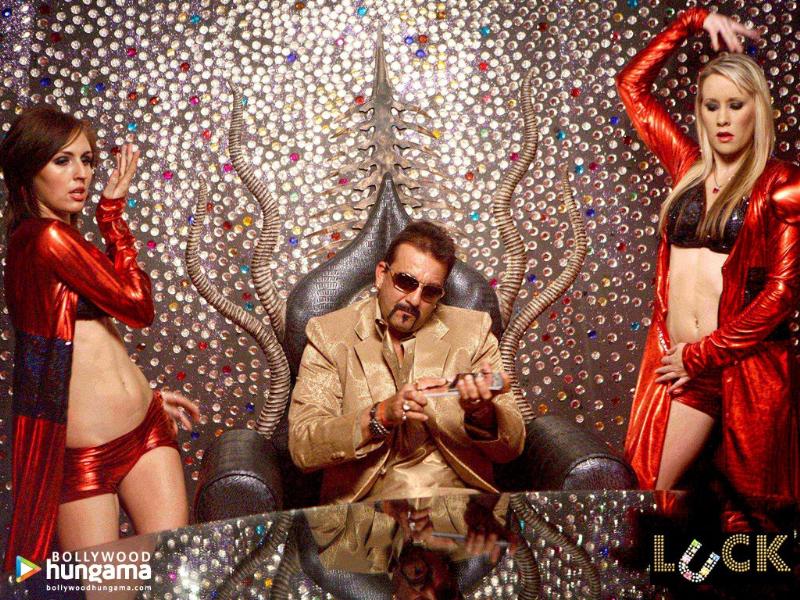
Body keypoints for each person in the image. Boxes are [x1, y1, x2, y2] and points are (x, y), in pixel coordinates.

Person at [617, 7, 800, 529]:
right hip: (677, 365)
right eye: (711, 105)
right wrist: (691, 21)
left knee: (751, 519)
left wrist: (703, 354)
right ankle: (683, 570)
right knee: (656, 501)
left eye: (735, 105)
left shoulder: (782, 184)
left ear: (757, 110)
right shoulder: (687, 167)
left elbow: (783, 294)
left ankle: (726, 570)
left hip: (738, 368)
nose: (723, 119)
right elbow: (631, 86)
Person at [0, 106, 201, 569]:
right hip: (84, 457)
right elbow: (138, 305)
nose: (82, 174)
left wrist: (145, 397)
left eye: (87, 160)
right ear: (29, 170)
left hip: (145, 427)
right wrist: (112, 215)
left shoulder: (60, 237)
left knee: (170, 581)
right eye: (62, 160)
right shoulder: (46, 240)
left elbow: (92, 345)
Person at [288, 220, 525, 503]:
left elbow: (512, 449)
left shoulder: (474, 332)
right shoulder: (329, 335)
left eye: (430, 291)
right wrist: (380, 415)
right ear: (381, 274)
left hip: (459, 506)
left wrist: (482, 413)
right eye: (406, 282)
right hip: (365, 510)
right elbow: (303, 446)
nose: (414, 300)